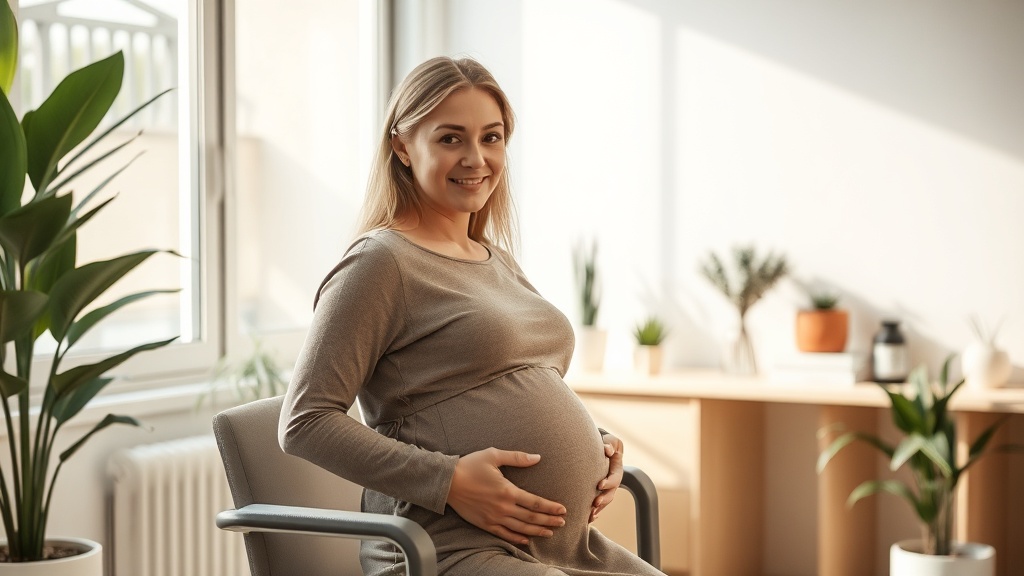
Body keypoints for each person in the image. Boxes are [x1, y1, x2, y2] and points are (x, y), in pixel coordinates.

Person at [279, 56, 666, 576]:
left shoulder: (494, 259)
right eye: (450, 138)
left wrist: (593, 443)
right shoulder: (380, 263)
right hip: (445, 549)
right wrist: (449, 479)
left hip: (563, 546)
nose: (476, 158)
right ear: (401, 146)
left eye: (492, 137)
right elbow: (305, 422)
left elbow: (505, 381)